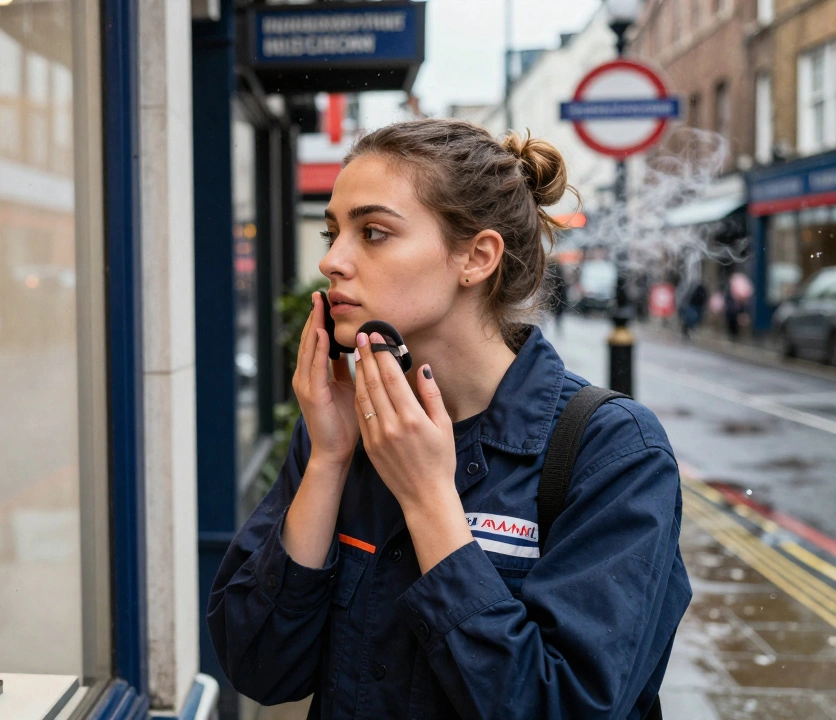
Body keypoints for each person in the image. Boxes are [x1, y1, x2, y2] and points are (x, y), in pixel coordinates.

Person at [207, 120, 690, 719]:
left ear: (476, 257)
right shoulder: (343, 427)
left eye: (374, 232)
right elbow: (260, 668)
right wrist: (329, 462)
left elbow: (561, 706)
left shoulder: (613, 452)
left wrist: (429, 500)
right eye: (334, 232)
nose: (332, 261)